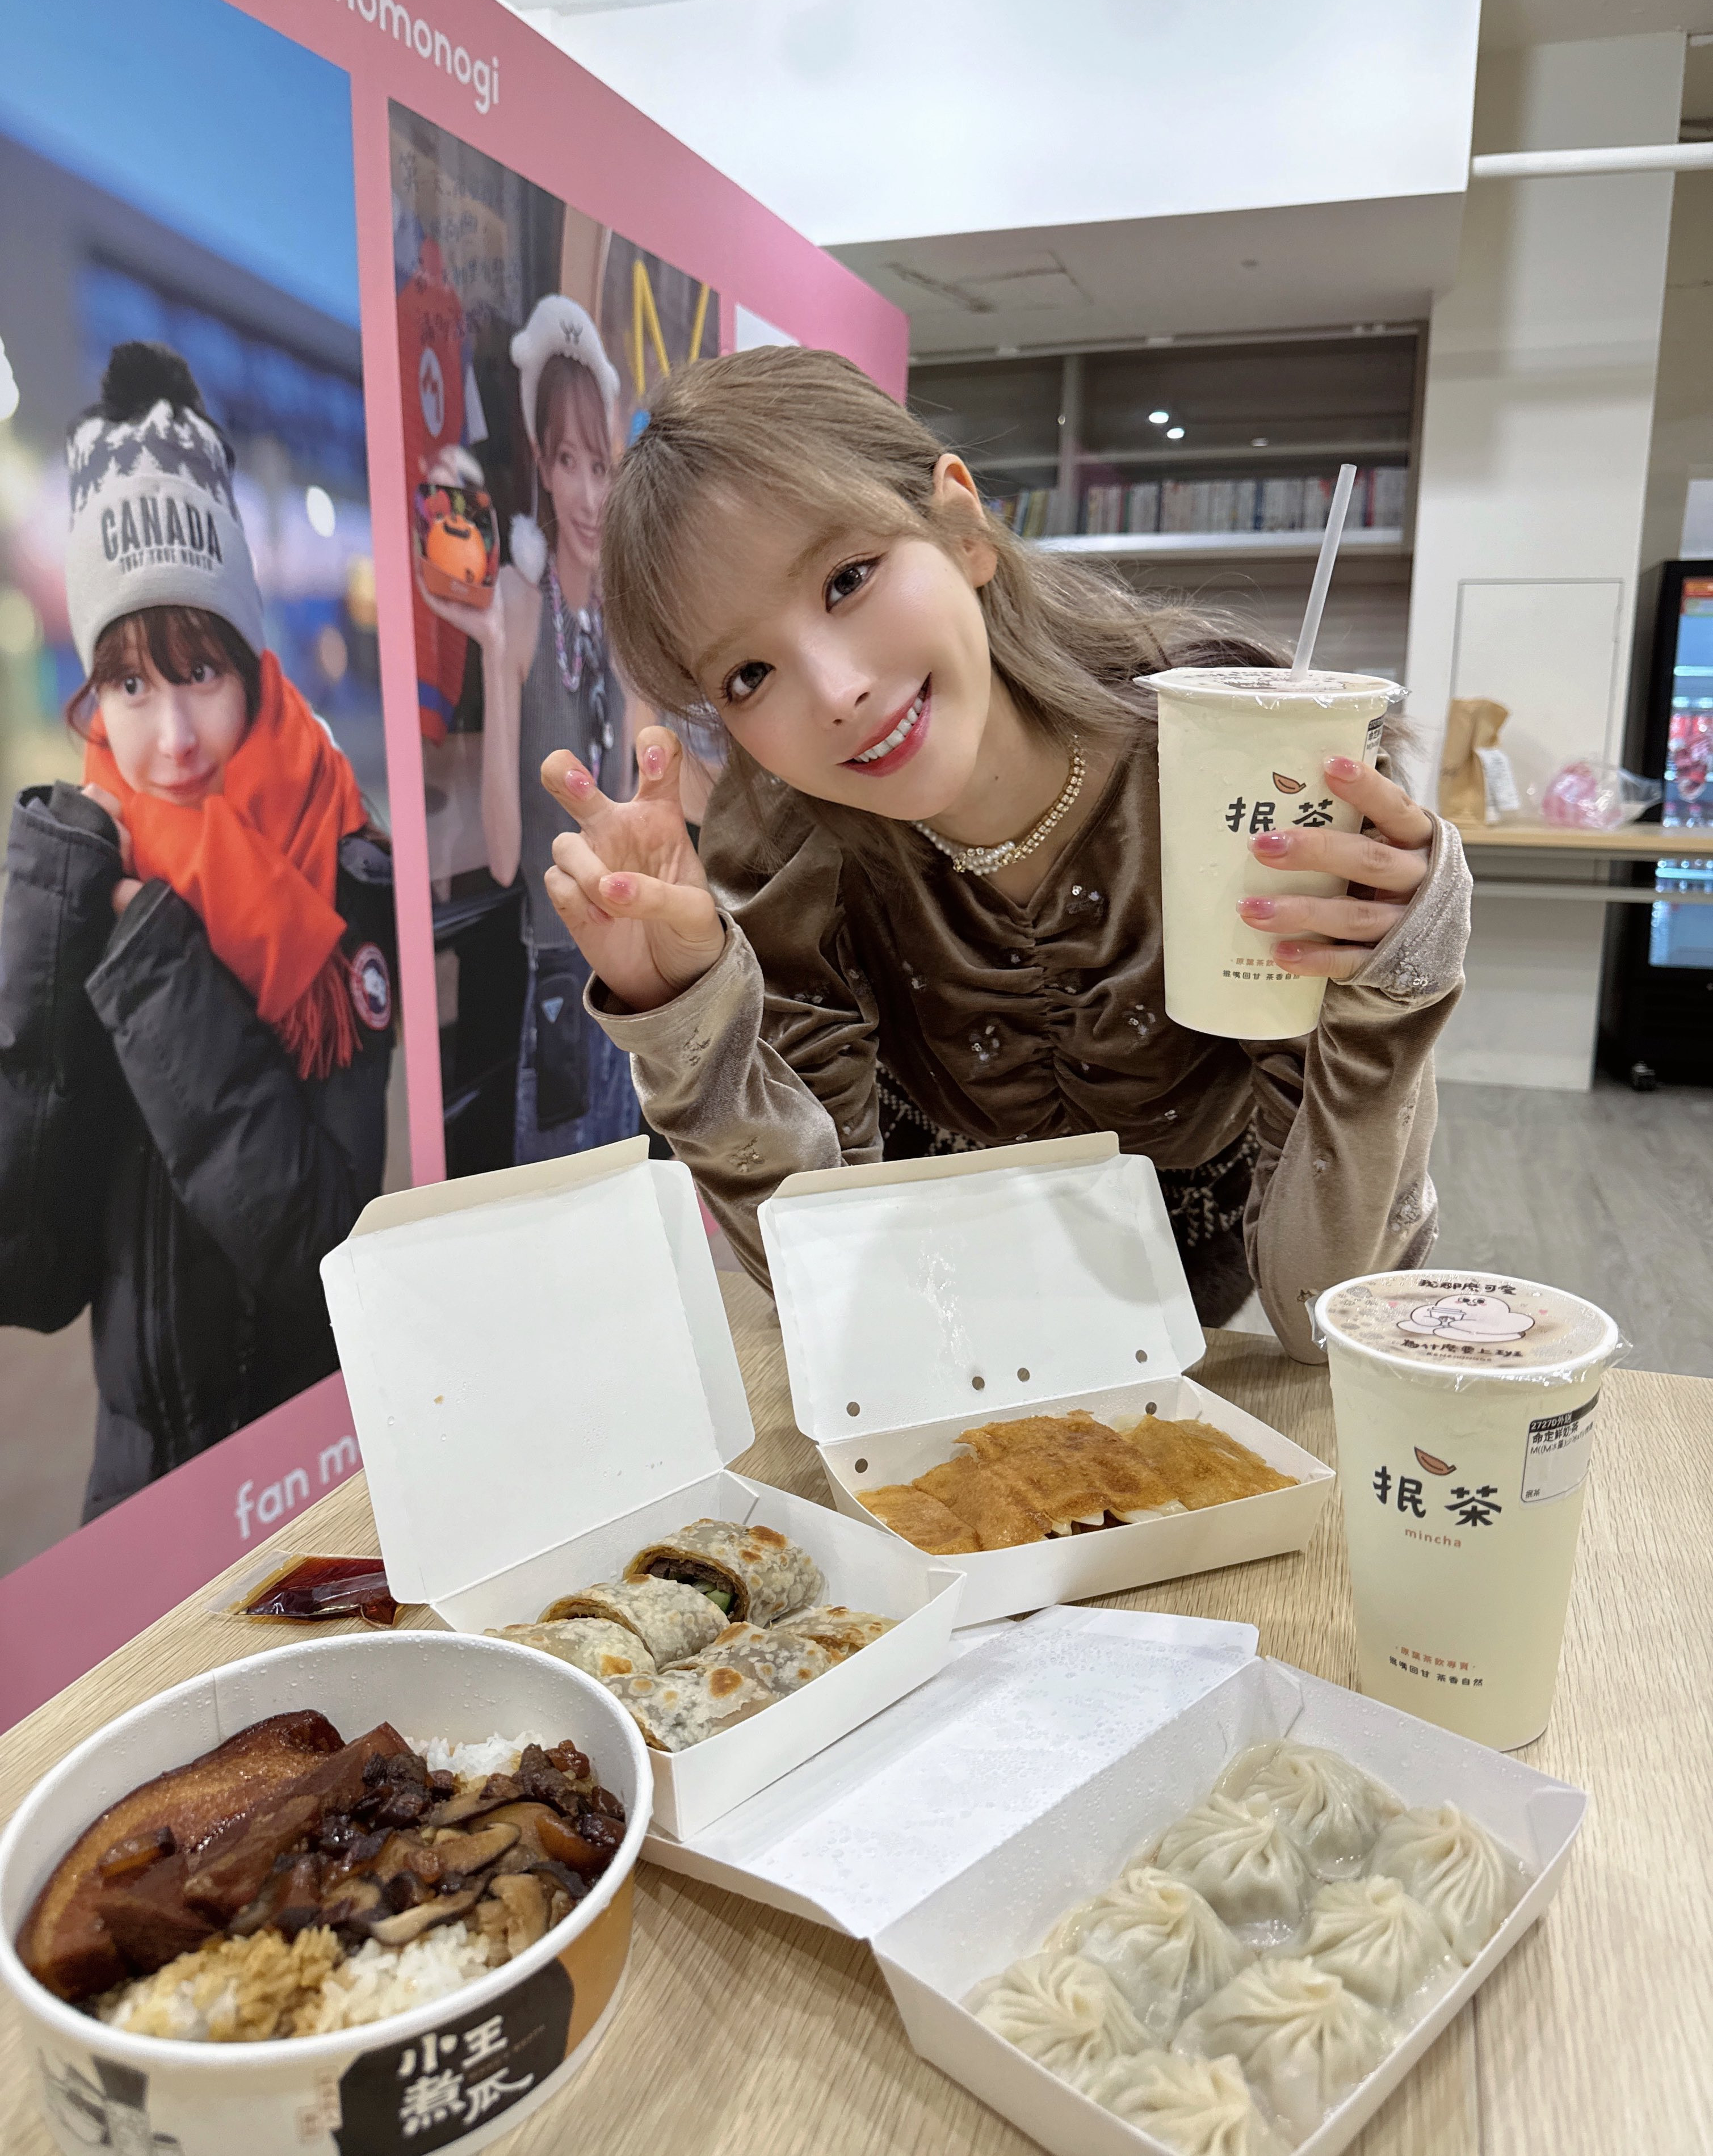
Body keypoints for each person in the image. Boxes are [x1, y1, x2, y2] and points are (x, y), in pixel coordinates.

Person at [534, 348, 1473, 1359]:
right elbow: (834, 1284)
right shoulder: (783, 850)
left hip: (1210, 1268)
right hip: (934, 1284)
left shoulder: (1234, 756)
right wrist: (688, 1019)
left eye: (847, 579)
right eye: (749, 674)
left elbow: (1325, 1311)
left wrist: (1392, 978)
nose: (838, 691)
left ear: (961, 525)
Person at [0, 343, 396, 1516]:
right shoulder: (79, 868)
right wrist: (43, 932)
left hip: (310, 1475)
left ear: (251, 667)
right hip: (137, 1489)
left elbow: (323, 1253)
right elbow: (29, 1274)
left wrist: (159, 969)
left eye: (200, 673)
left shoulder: (341, 867)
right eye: (130, 685)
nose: (171, 735)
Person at [418, 296, 643, 1161]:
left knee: (625, 1178)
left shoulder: (622, 618)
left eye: (601, 466)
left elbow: (631, 811)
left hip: (628, 967)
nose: (587, 494)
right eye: (567, 462)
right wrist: (489, 652)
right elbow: (509, 859)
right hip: (555, 967)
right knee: (562, 1196)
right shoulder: (517, 602)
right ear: (542, 468)